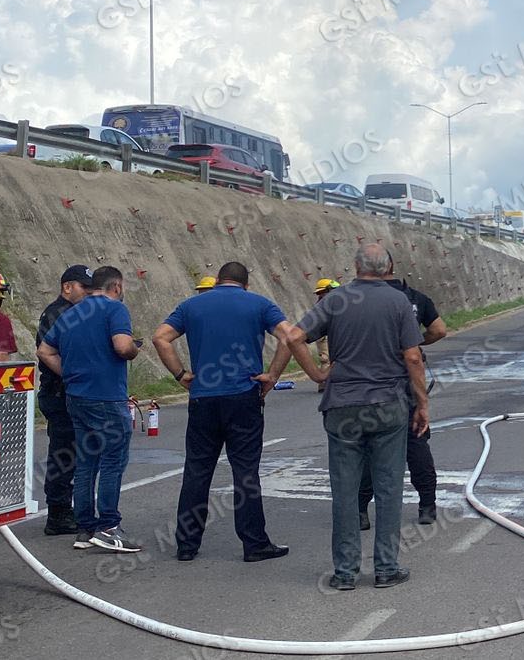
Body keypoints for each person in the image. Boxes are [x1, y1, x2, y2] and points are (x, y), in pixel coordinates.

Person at [264, 244, 427, 591]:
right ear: (387, 269)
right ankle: (386, 567)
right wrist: (422, 404)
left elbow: (293, 336)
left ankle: (345, 572)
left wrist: (318, 375)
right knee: (388, 488)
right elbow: (413, 358)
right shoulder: (398, 301)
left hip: (342, 406)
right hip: (388, 404)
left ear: (355, 267)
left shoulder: (335, 300)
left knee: (345, 490)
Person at [153, 262, 316, 563]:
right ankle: (254, 544)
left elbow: (160, 337)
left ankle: (187, 545)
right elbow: (289, 336)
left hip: (203, 396)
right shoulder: (260, 304)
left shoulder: (191, 305)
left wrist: (179, 375)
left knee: (197, 470)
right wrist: (273, 375)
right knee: (245, 471)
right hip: (243, 396)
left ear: (217, 282)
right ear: (246, 284)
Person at [38, 266, 143, 554]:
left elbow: (44, 351)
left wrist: (70, 373)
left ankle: (85, 528)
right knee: (113, 460)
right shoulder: (114, 310)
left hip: (76, 396)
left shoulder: (71, 313)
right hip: (107, 397)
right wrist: (134, 348)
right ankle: (109, 527)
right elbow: (122, 347)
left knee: (86, 462)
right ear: (117, 287)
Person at [358, 261, 447, 527]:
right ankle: (427, 506)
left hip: (370, 383)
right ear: (393, 269)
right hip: (406, 384)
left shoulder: (364, 300)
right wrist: (416, 340)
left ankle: (361, 510)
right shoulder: (416, 298)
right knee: (416, 444)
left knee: (369, 448)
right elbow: (440, 330)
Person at [36, 264, 94, 537]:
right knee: (64, 453)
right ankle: (58, 512)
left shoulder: (73, 313)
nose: (87, 293)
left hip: (70, 392)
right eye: (84, 287)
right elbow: (48, 353)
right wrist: (75, 376)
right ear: (67, 287)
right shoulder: (58, 314)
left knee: (74, 453)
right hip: (59, 393)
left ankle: (68, 507)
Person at [311, 278, 339, 392]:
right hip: (323, 335)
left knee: (330, 358)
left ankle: (327, 382)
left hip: (328, 333)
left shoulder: (326, 303)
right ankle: (324, 383)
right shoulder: (324, 304)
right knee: (325, 358)